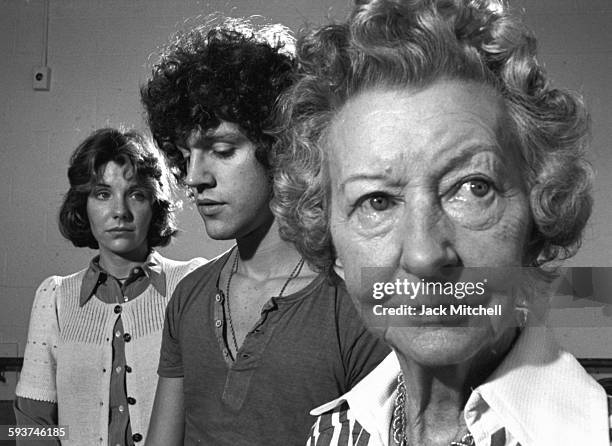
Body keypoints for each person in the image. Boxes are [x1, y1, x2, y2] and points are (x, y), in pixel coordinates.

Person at [272, 0, 611, 444]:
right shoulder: (332, 432)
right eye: (376, 201)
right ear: (332, 248)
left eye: (473, 188)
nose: (424, 254)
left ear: (536, 222)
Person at [140, 17, 389, 446]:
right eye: (184, 155)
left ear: (281, 144)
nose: (195, 177)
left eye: (221, 150)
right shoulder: (189, 296)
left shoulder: (351, 305)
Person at [14, 128, 206, 445]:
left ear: (154, 205)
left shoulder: (190, 283)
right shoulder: (55, 298)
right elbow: (32, 425)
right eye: (103, 194)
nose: (120, 211)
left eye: (136, 194)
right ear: (83, 205)